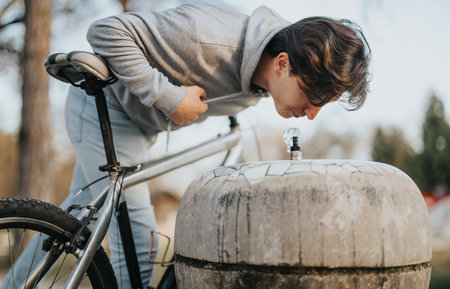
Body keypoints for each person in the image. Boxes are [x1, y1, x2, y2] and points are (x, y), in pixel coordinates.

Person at [3, 2, 370, 289]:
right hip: (104, 110)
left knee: (73, 224)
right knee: (139, 247)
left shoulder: (263, 78)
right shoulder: (206, 38)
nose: (311, 115)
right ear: (283, 63)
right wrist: (168, 96)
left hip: (132, 126)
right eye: (312, 97)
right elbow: (106, 30)